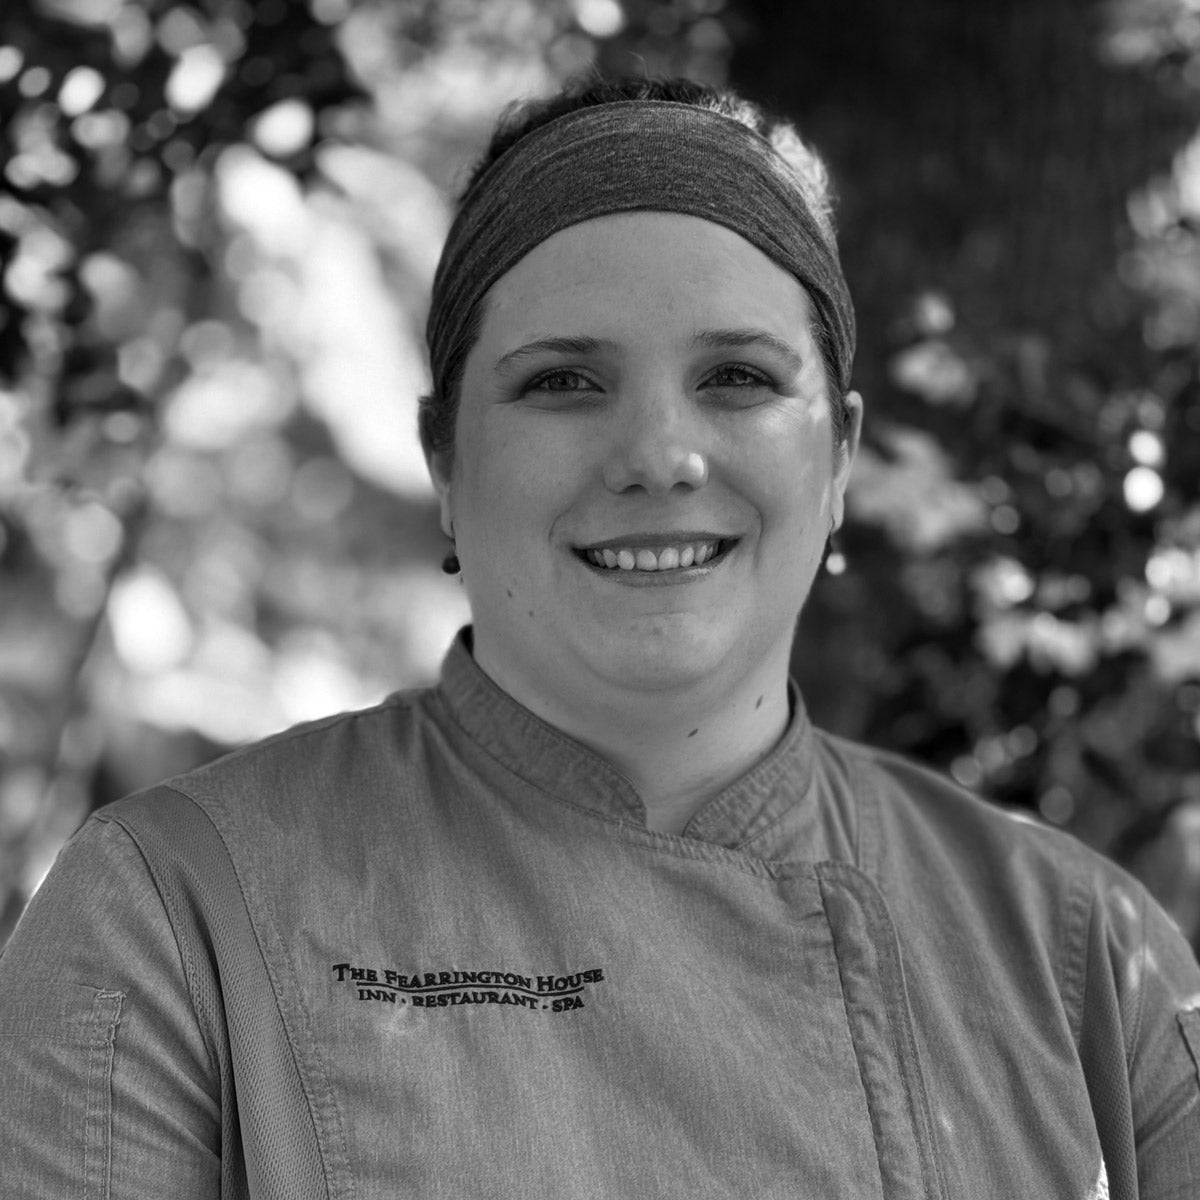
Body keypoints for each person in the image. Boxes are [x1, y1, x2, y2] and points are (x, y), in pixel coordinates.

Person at [2, 75, 1198, 1200]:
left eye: (736, 377)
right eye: (565, 383)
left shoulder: (1081, 954)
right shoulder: (174, 909)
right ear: (444, 463)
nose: (660, 457)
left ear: (837, 456)